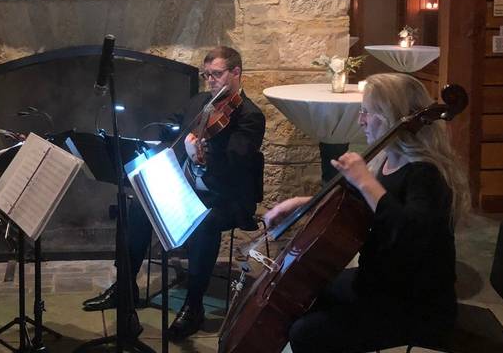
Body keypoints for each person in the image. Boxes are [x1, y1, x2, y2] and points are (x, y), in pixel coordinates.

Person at [263, 73, 470, 353]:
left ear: (393, 118)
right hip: (379, 284)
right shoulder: (388, 159)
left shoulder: (425, 174)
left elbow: (409, 232)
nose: (361, 121)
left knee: (305, 333)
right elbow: (361, 204)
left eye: (367, 113)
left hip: (414, 305)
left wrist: (365, 180)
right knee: (305, 296)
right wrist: (304, 202)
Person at [83, 46, 266, 341]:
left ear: (236, 73)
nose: (211, 81)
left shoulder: (249, 116)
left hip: (225, 195)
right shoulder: (200, 102)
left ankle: (194, 307)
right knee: (139, 203)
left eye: (217, 75)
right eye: (207, 75)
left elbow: (236, 163)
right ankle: (125, 289)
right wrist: (157, 136)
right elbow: (175, 127)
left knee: (204, 223)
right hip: (189, 187)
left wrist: (202, 156)